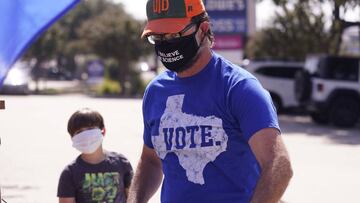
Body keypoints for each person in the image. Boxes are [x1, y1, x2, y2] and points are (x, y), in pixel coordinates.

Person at [128, 0, 293, 203]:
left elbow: (279, 164)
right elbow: (151, 161)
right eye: (158, 37)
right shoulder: (156, 92)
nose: (166, 42)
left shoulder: (239, 88)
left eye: (174, 35)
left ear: (203, 29)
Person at [57, 108, 133, 203]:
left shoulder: (121, 163)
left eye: (90, 129)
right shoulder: (69, 173)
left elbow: (133, 197)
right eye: (79, 132)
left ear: (103, 131)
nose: (85, 135)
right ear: (73, 138)